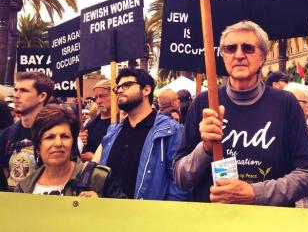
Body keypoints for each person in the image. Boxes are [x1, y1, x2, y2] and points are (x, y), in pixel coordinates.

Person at [174, 20, 308, 206]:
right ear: (223, 56)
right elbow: (180, 177)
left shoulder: (286, 103)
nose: (239, 55)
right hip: (215, 222)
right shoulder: (204, 103)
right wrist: (205, 149)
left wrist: (255, 193)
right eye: (230, 48)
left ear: (263, 57)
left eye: (248, 48)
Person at [99, 67, 190, 201]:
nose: (119, 90)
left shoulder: (170, 131)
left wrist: (166, 217)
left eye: (127, 85)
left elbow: (180, 184)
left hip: (150, 218)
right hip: (109, 217)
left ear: (146, 90)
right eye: (117, 88)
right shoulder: (113, 132)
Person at [14, 104, 125, 198]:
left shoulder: (98, 178)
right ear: (38, 145)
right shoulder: (23, 188)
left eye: (64, 136)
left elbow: (125, 218)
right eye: (50, 137)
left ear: (73, 142)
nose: (58, 143)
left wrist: (101, 207)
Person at [0, 72, 54, 191]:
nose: (16, 95)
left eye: (23, 90)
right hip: (11, 206)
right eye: (16, 90)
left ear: (42, 96)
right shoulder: (7, 134)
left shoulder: (56, 135)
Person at [79, 79, 112, 162]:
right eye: (96, 97)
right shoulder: (90, 123)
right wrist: (81, 141)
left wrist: (96, 158)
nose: (98, 101)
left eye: (102, 96)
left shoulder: (121, 123)